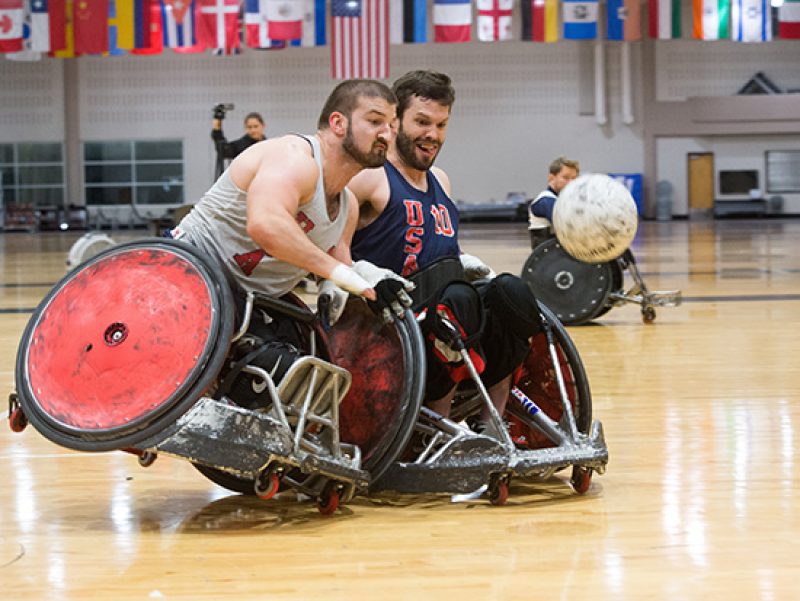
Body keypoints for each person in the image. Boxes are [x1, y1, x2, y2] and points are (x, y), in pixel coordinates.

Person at [173, 79, 412, 410]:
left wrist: (370, 279)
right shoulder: (295, 157)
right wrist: (339, 272)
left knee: (324, 379)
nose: (387, 134)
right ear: (338, 123)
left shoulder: (348, 208)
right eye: (375, 121)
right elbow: (266, 223)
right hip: (190, 275)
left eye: (391, 125)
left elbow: (337, 274)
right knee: (281, 373)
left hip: (253, 304)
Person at [341, 70, 543, 434]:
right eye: (421, 122)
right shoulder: (369, 177)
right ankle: (439, 427)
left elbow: (442, 250)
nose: (432, 134)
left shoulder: (442, 181)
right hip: (392, 326)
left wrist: (466, 264)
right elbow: (332, 254)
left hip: (452, 311)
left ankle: (490, 423)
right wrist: (369, 277)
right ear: (394, 122)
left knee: (511, 294)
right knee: (458, 303)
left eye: (440, 124)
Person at [528, 157, 580, 249]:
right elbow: (568, 225)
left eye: (574, 178)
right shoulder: (545, 200)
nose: (571, 183)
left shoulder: (565, 200)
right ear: (552, 178)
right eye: (566, 177)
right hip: (548, 259)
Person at [212, 110, 268, 178]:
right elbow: (224, 149)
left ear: (262, 126)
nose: (253, 130)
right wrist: (217, 128)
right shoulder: (240, 145)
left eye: (256, 126)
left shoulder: (268, 145)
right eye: (249, 127)